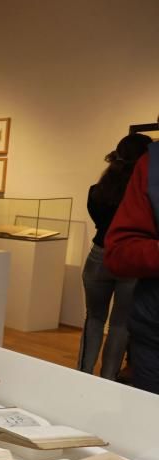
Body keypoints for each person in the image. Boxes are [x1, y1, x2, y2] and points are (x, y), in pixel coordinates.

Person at [79, 134, 152, 380]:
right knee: (120, 324)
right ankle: (108, 378)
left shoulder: (97, 191)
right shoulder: (142, 196)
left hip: (99, 255)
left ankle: (83, 373)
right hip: (130, 262)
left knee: (94, 318)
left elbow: (101, 224)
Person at [105, 133, 159, 395]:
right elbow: (119, 249)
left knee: (102, 321)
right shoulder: (152, 166)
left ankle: (103, 376)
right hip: (154, 334)